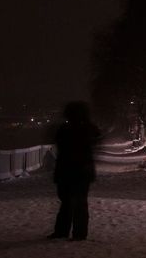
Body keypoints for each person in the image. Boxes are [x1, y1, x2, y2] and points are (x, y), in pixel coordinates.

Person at [48, 101, 100, 241]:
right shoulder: (89, 129)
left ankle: (63, 231)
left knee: (68, 202)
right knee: (79, 203)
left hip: (67, 171)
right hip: (82, 171)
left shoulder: (65, 129)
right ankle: (79, 233)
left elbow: (59, 144)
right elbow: (96, 140)